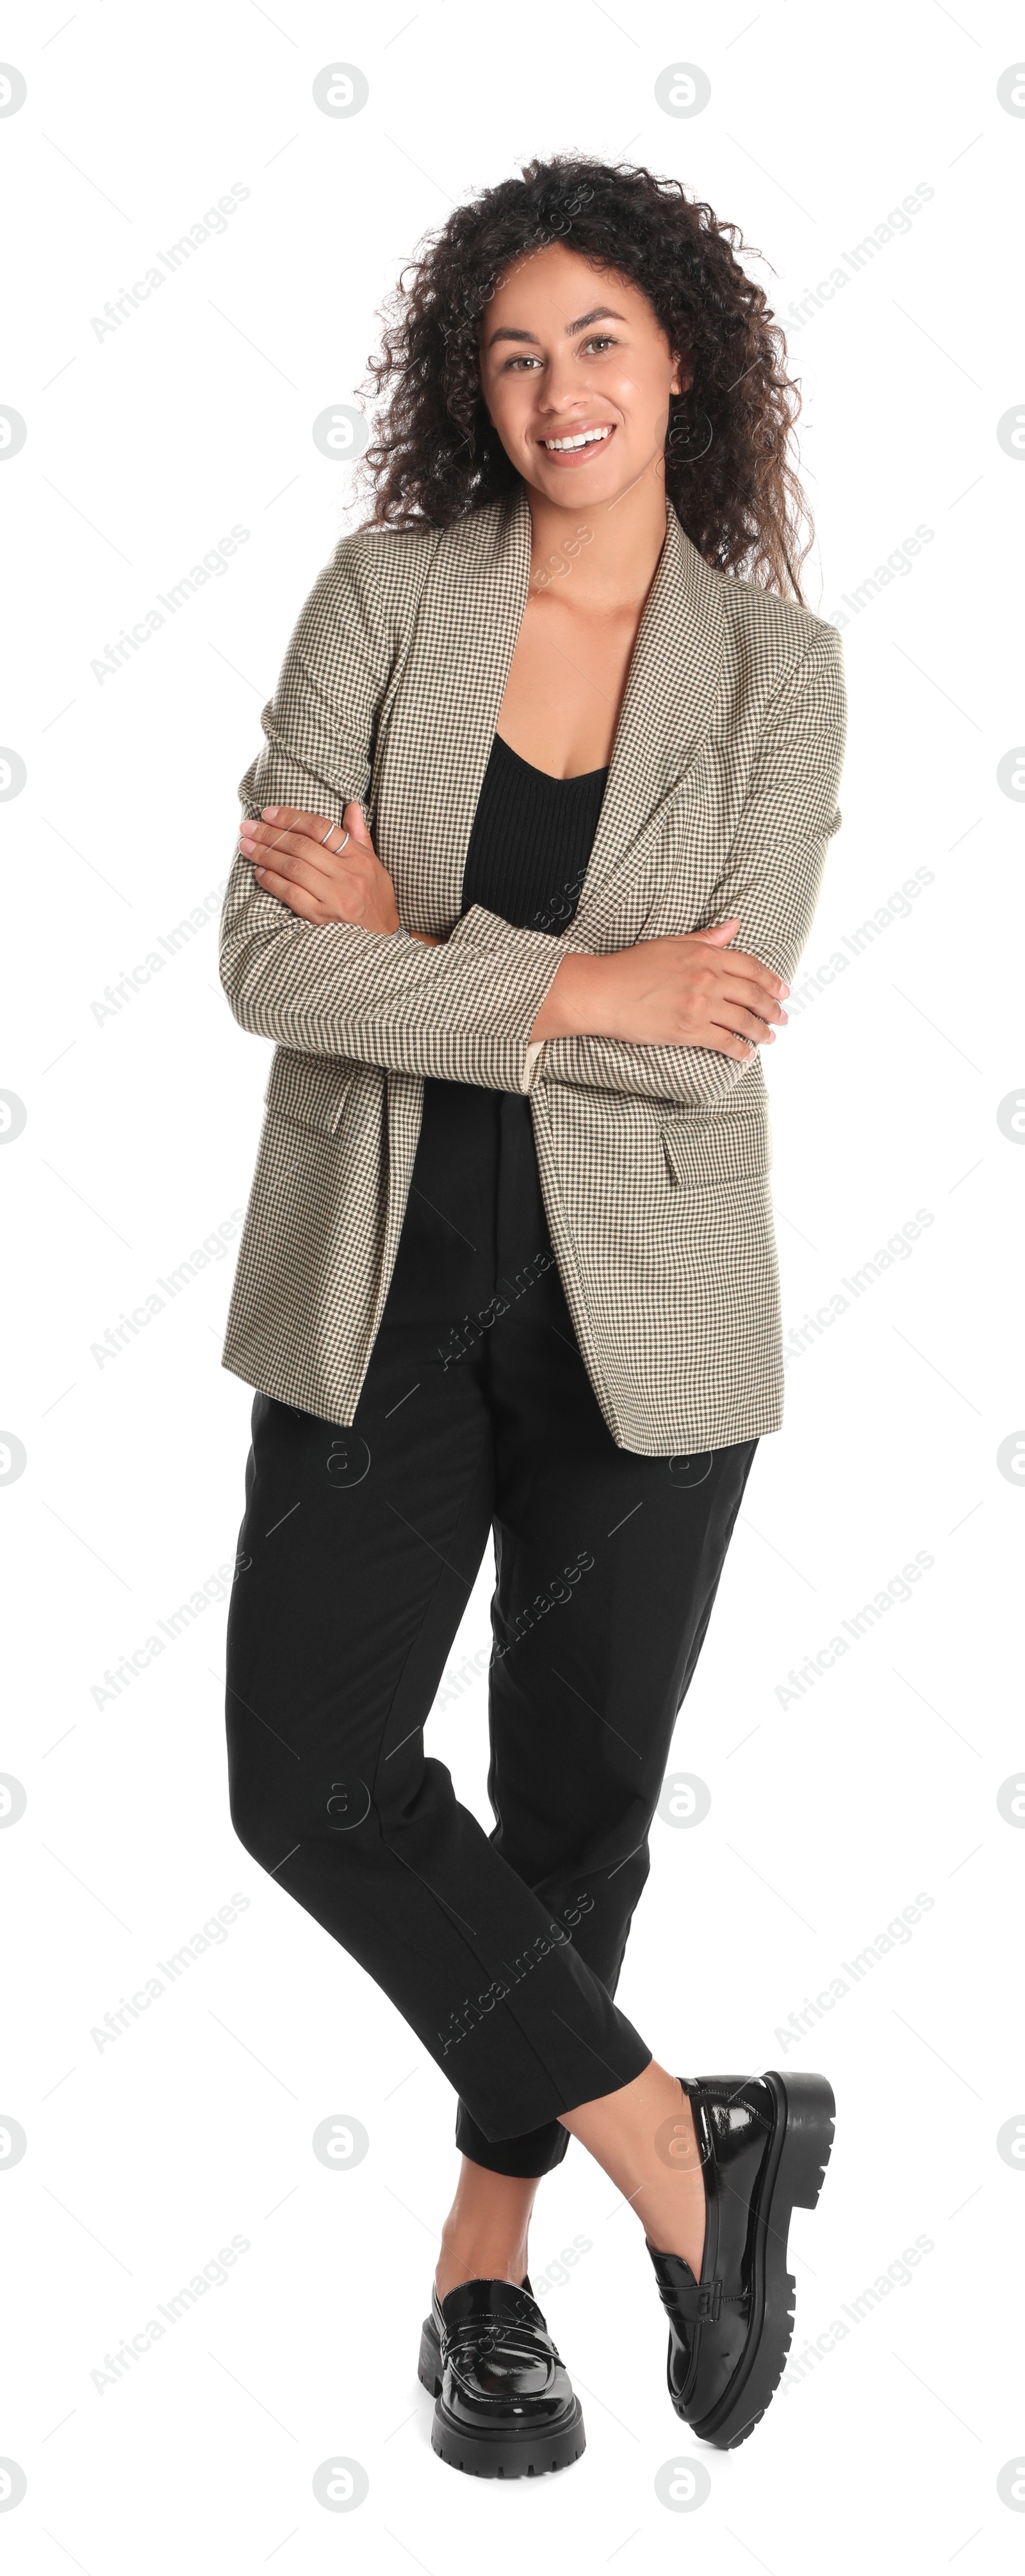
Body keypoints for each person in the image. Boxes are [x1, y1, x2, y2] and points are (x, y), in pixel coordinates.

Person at [218, 155, 846, 2477]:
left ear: (682, 354)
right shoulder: (385, 600)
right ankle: (685, 2148)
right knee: (314, 1785)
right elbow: (272, 961)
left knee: (577, 1810)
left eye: (597, 338)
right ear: (466, 394)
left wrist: (432, 955)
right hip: (379, 1282)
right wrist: (579, 975)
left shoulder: (780, 670)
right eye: (511, 350)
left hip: (650, 1311)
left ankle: (486, 2284)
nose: (557, 387)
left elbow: (712, 1033)